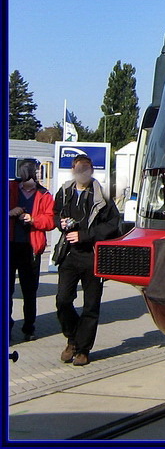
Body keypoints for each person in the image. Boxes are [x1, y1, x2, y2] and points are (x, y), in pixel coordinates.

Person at [53, 155, 120, 366]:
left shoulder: (102, 196)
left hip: (92, 255)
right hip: (69, 254)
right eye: (78, 168)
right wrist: (60, 222)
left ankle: (83, 350)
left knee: (91, 306)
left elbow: (112, 224)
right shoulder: (65, 192)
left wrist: (85, 235)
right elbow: (54, 213)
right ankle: (72, 338)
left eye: (86, 168)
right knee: (63, 300)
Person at [9, 160, 55, 341]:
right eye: (35, 172)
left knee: (29, 291)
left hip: (32, 248)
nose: (36, 176)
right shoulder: (9, 188)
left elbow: (51, 220)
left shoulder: (44, 194)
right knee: (7, 290)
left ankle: (29, 328)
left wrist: (33, 219)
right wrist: (10, 212)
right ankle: (7, 327)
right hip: (10, 246)